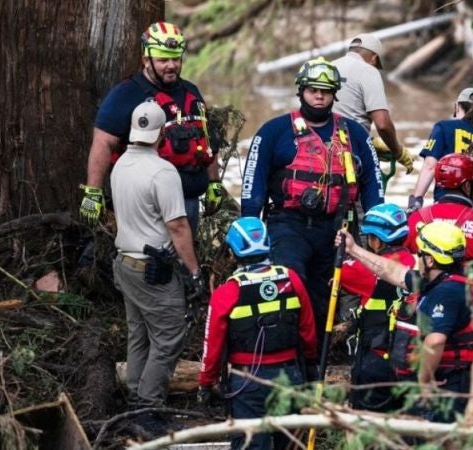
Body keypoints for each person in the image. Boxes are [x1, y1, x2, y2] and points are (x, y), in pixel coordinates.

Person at [240, 57, 385, 343]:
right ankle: (282, 351)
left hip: (334, 230)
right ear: (301, 91)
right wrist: (249, 231)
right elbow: (252, 184)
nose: (319, 96)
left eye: (325, 91)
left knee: (322, 300)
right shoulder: (273, 132)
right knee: (290, 284)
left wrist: (377, 230)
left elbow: (373, 185)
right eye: (312, 90)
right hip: (288, 225)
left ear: (334, 94)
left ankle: (313, 362)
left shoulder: (354, 134)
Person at [110, 101, 205, 433]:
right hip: (152, 268)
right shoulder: (163, 172)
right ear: (163, 132)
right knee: (168, 338)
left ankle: (135, 400)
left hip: (124, 262)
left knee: (138, 334)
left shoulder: (120, 164)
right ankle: (148, 407)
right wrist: (194, 271)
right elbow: (178, 227)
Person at [79, 21, 222, 233]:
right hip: (145, 204)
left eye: (175, 59)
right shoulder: (125, 94)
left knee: (182, 257)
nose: (171, 65)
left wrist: (214, 183)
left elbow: (207, 140)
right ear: (146, 59)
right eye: (163, 60)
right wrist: (93, 192)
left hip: (188, 199)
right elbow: (102, 143)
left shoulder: (191, 92)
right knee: (150, 258)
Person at [336, 222, 473, 422]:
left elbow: (435, 341)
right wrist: (354, 249)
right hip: (448, 379)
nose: (417, 259)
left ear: (430, 260)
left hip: (446, 383)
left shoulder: (448, 291)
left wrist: (425, 381)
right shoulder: (449, 280)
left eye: (420, 254)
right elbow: (393, 272)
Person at [197, 217, 317, 450]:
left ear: (232, 253)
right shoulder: (291, 279)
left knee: (250, 444)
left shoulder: (227, 292)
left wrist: (206, 383)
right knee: (291, 443)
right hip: (289, 376)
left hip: (247, 382)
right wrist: (310, 365)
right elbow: (308, 330)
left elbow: (212, 347)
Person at [340, 203, 415, 412]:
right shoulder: (416, 263)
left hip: (376, 359)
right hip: (410, 359)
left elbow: (335, 275)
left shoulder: (362, 269)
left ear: (375, 239)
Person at [332, 33, 415, 174]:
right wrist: (398, 151)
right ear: (374, 58)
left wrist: (371, 141)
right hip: (351, 151)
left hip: (322, 145)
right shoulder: (368, 71)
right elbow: (382, 124)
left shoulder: (330, 66)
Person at [409, 87, 473, 213]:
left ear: (457, 107)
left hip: (453, 200)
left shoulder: (444, 127)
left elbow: (430, 166)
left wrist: (416, 200)